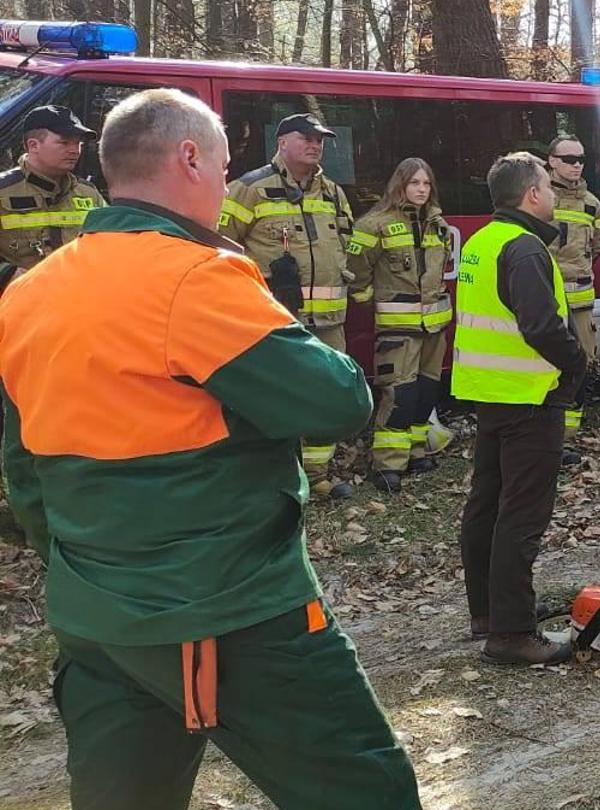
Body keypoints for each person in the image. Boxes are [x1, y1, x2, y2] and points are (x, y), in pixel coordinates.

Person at [0, 88, 420, 810]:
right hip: (225, 613)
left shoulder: (29, 294)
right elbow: (339, 402)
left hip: (94, 623)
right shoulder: (196, 278)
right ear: (190, 158)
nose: (226, 185)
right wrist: (275, 309)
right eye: (224, 166)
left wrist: (90, 569)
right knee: (365, 790)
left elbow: (25, 471)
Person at [452, 152, 588, 665]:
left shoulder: (482, 242)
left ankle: (487, 612)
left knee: (486, 505)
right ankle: (510, 633)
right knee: (520, 514)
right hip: (529, 397)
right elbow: (541, 326)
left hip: (489, 393)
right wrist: (576, 365)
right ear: (532, 195)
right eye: (548, 187)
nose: (553, 195)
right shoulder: (525, 247)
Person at [221, 112, 360, 501]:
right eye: (306, 137)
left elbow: (345, 242)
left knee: (325, 392)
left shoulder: (332, 192)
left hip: (329, 319)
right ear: (281, 143)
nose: (316, 144)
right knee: (274, 396)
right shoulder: (249, 189)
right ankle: (276, 474)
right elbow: (219, 246)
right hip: (275, 319)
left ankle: (318, 474)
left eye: (320, 139)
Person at [347, 159, 454, 494]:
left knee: (426, 392)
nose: (421, 189)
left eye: (426, 183)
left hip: (435, 326)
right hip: (397, 328)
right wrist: (368, 300)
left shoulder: (437, 225)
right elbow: (356, 268)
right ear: (400, 185)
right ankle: (388, 465)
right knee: (399, 394)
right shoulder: (374, 224)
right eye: (414, 183)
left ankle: (417, 452)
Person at [547, 136, 600, 450]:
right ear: (552, 161)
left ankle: (568, 434)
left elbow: (598, 244)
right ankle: (548, 431)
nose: (576, 165)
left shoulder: (592, 203)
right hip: (545, 303)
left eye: (581, 159)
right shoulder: (539, 199)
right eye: (569, 159)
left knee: (581, 363)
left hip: (580, 302)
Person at [0, 105, 105, 275]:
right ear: (33, 145)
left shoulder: (89, 193)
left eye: (78, 143)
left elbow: (108, 244)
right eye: (64, 142)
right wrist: (8, 275)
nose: (74, 150)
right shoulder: (3, 191)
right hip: (19, 298)